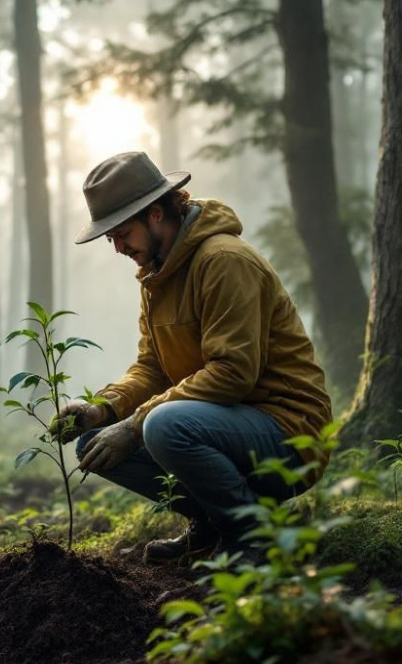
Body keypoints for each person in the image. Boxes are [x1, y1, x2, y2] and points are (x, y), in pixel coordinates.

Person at [53, 151, 333, 564]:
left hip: (288, 430)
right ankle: (215, 526)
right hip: (224, 423)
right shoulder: (157, 274)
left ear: (154, 214)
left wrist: (134, 426)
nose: (116, 247)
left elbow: (233, 373)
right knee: (95, 444)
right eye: (109, 236)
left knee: (163, 424)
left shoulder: (223, 261)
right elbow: (152, 367)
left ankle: (255, 538)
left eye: (122, 232)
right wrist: (101, 410)